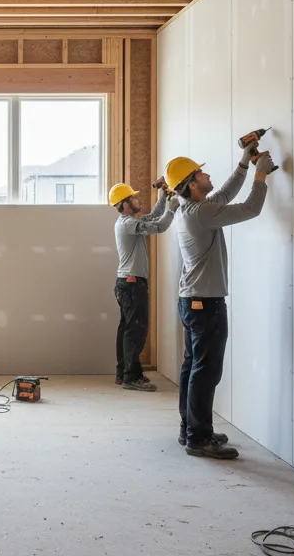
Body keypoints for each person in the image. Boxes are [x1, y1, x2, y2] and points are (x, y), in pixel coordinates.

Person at [165, 145, 276, 459]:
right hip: (206, 303)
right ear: (191, 184)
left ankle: (190, 429)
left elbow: (225, 195)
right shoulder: (201, 213)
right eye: (201, 173)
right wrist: (260, 174)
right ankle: (199, 439)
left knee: (192, 367)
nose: (207, 174)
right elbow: (250, 209)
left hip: (192, 301)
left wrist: (244, 162)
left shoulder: (193, 208)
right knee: (206, 370)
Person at [109, 179, 178, 392]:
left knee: (128, 330)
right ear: (125, 203)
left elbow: (152, 217)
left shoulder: (128, 222)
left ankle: (126, 373)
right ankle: (131, 377)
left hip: (127, 284)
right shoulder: (127, 223)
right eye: (134, 197)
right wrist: (173, 209)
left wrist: (163, 199)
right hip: (132, 285)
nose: (138, 200)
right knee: (135, 332)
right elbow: (159, 226)